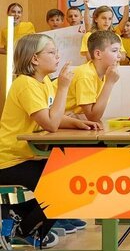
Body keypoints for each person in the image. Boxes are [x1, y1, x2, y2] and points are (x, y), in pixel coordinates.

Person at [0, 35, 101, 248]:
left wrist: (77, 124)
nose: (58, 56)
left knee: (73, 178)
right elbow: (51, 124)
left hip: (26, 155)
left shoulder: (42, 81)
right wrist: (63, 86)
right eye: (52, 52)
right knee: (66, 186)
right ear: (34, 59)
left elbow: (50, 115)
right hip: (9, 160)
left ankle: (14, 216)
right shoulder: (25, 84)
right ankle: (25, 229)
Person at [66, 30, 122, 122]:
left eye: (119, 51)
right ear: (98, 54)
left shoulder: (103, 74)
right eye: (114, 51)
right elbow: (93, 117)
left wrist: (80, 117)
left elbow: (91, 114)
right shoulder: (86, 74)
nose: (119, 55)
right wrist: (109, 83)